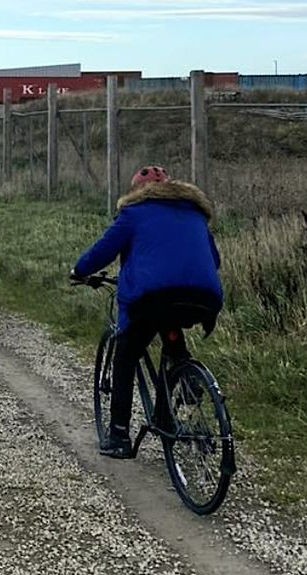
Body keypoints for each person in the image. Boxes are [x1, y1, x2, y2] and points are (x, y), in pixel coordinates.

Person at [71, 165, 222, 458]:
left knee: (126, 355)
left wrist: (80, 270)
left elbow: (103, 250)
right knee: (171, 330)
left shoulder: (133, 212)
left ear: (136, 191)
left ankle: (118, 437)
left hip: (153, 298)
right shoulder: (195, 214)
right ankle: (183, 379)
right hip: (203, 297)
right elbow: (213, 260)